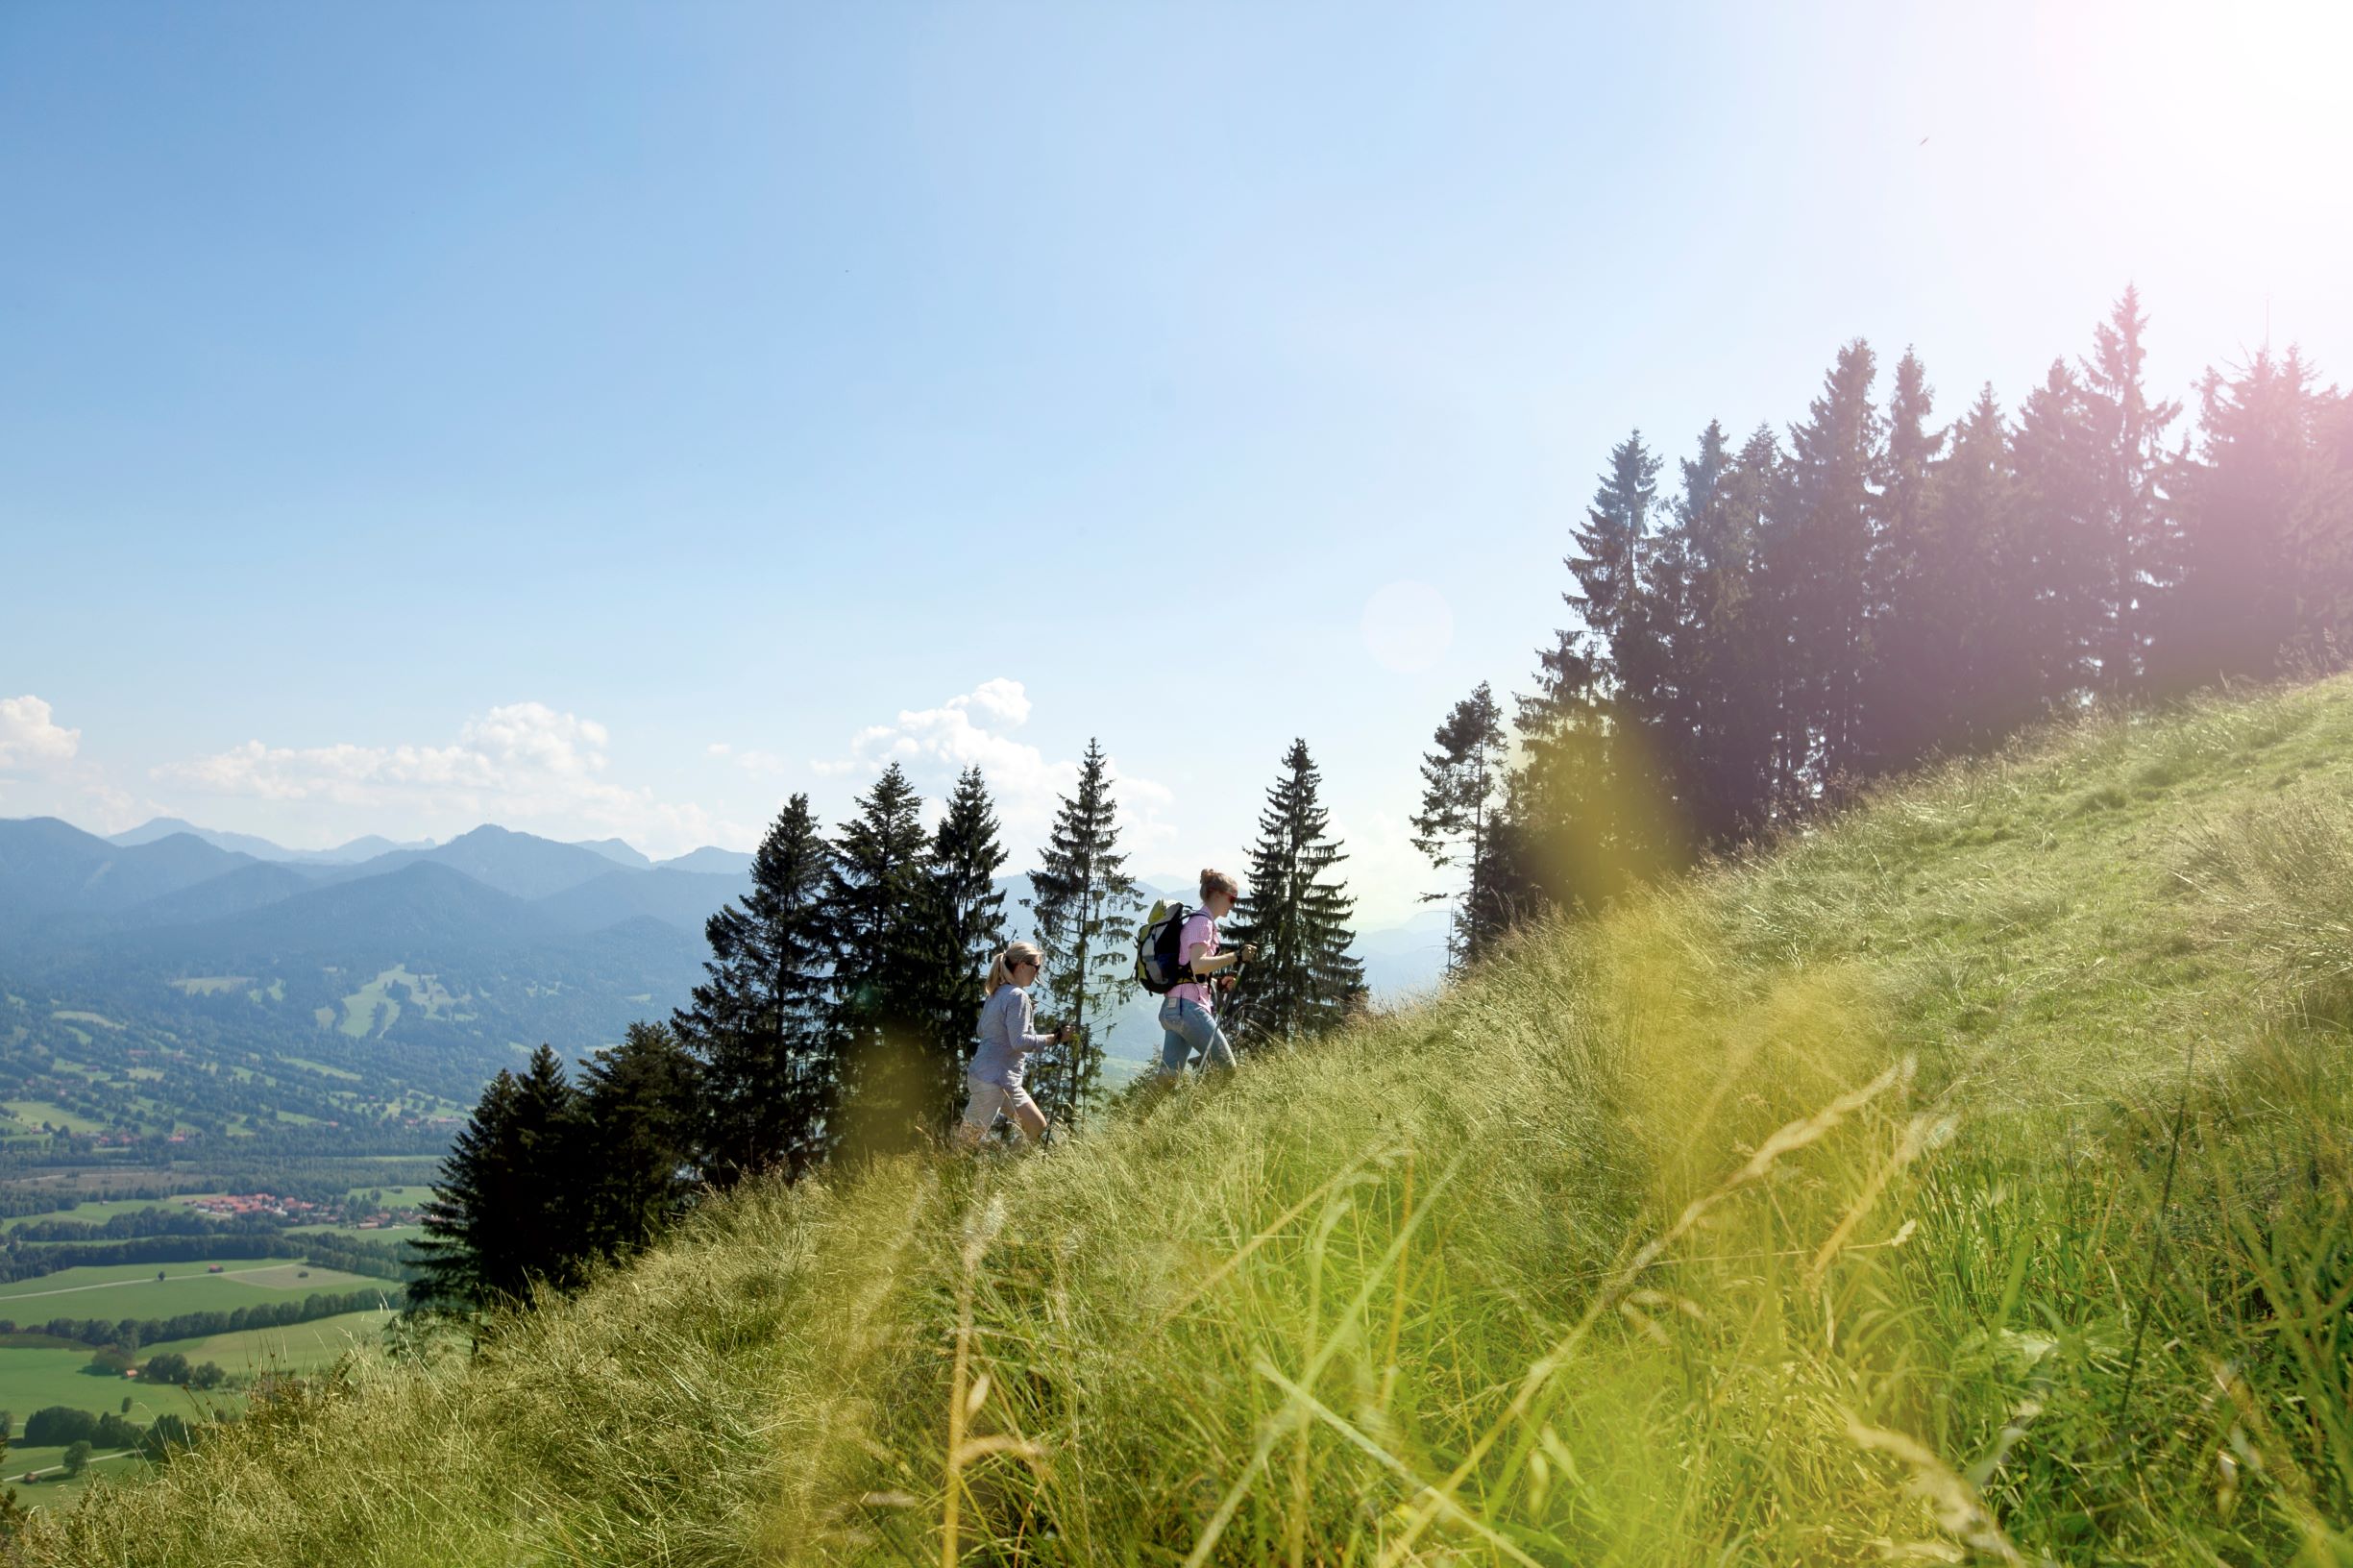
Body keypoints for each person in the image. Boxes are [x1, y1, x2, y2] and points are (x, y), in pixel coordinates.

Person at [959, 941, 1072, 1147]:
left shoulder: (997, 993)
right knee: (966, 1144)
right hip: (992, 1081)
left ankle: (1007, 1174)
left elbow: (982, 1031)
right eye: (1037, 967)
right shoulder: (1017, 996)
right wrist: (1055, 1038)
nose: (1038, 973)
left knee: (1036, 1126)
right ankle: (951, 1174)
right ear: (1022, 966)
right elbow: (1019, 1042)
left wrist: (1024, 1017)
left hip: (997, 1079)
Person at [1158, 868, 1257, 1076]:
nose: (1233, 904)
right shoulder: (1203, 922)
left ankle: (1142, 1110)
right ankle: (1203, 1109)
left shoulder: (1198, 921)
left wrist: (1217, 983)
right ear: (1217, 894)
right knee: (1228, 1069)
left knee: (1166, 1081)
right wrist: (1236, 957)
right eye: (1232, 898)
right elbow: (1197, 964)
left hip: (1175, 1008)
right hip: (1189, 1008)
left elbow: (1191, 970)